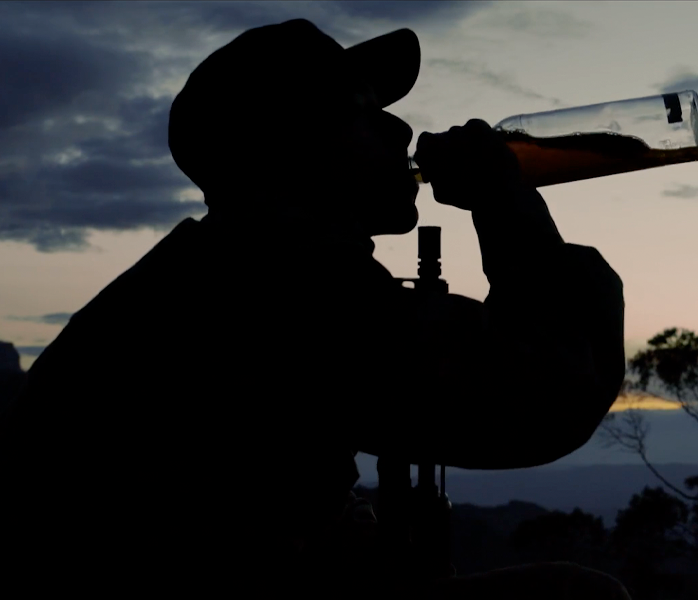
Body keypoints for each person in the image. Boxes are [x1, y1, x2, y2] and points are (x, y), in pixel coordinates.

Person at [0, 18, 629, 597]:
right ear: (288, 146)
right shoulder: (275, 285)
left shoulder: (227, 266)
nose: (401, 130)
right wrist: (503, 201)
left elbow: (258, 515)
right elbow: (549, 388)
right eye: (364, 112)